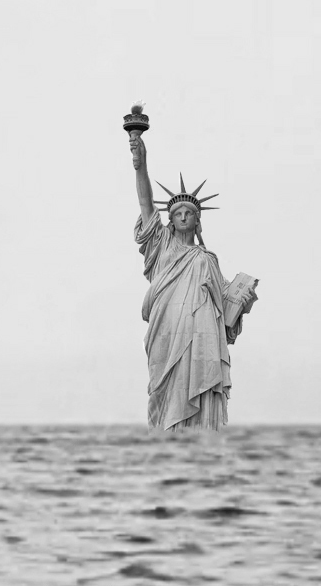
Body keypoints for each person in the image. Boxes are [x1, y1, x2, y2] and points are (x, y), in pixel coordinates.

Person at [129, 132, 255, 432]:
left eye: (189, 214)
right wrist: (141, 164)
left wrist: (243, 298)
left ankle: (198, 441)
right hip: (167, 328)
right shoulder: (161, 244)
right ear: (170, 221)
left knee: (200, 390)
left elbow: (224, 304)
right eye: (178, 214)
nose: (184, 217)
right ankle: (166, 439)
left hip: (202, 334)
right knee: (163, 392)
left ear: (198, 221)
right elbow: (146, 203)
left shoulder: (207, 259)